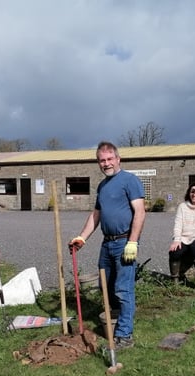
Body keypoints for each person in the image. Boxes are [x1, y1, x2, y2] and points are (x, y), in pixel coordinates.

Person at [69, 141, 146, 350]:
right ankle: (116, 324)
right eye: (102, 160)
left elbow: (140, 211)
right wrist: (82, 237)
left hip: (124, 242)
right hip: (107, 243)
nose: (106, 163)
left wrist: (132, 242)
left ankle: (125, 336)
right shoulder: (102, 186)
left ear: (118, 159)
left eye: (109, 159)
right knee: (106, 288)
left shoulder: (130, 181)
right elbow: (96, 215)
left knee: (123, 289)